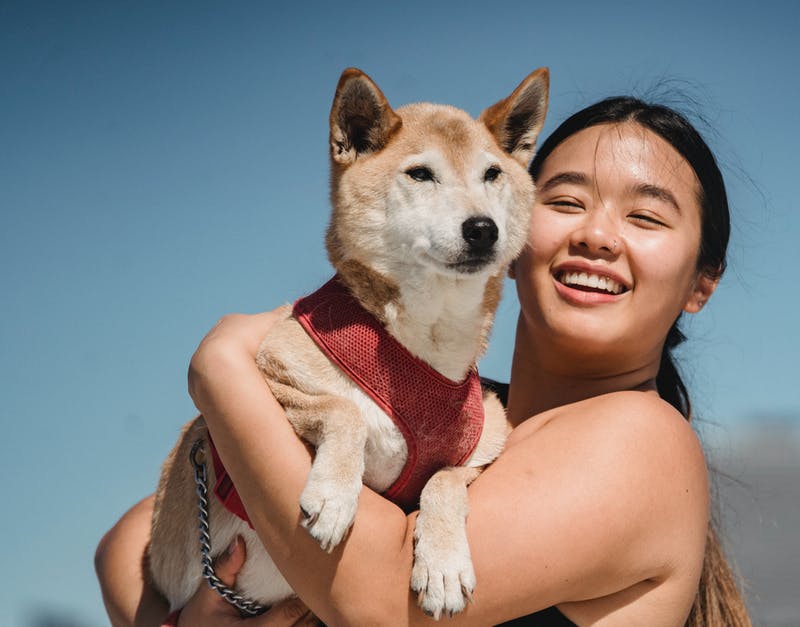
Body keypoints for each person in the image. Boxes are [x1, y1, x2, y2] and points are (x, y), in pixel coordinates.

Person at [96, 95, 751, 626]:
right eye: (566, 201)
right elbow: (128, 543)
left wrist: (223, 369)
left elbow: (383, 596)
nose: (596, 234)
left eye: (646, 217)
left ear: (702, 283)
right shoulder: (454, 411)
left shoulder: (643, 441)